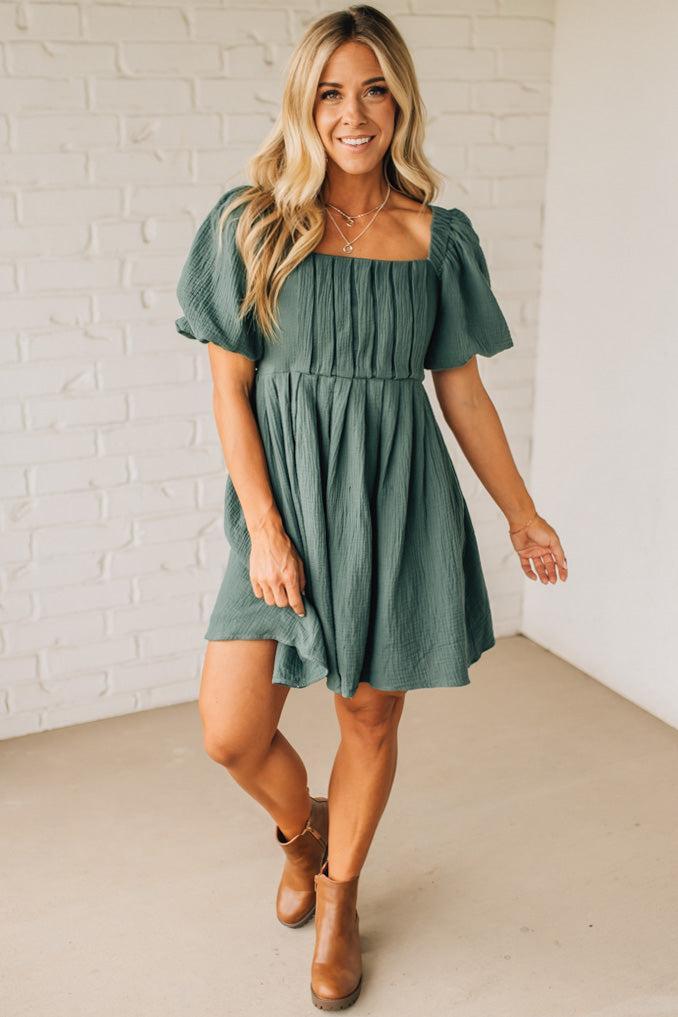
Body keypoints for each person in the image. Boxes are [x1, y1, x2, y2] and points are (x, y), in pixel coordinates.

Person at [174, 4, 568, 1009]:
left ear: (402, 100)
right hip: (286, 505)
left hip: (397, 500)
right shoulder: (248, 222)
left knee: (369, 721)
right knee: (231, 731)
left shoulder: (438, 238)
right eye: (333, 89)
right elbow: (229, 389)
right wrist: (263, 529)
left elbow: (462, 391)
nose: (355, 111)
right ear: (305, 101)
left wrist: (522, 513)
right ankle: (304, 831)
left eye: (376, 88)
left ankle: (341, 894)